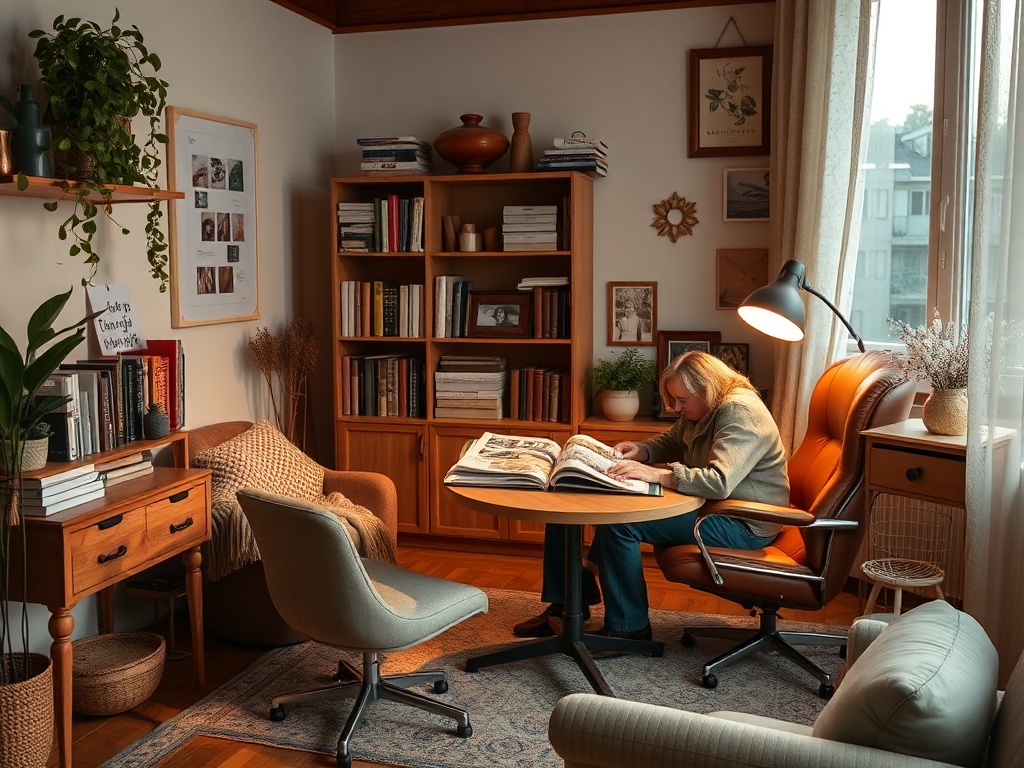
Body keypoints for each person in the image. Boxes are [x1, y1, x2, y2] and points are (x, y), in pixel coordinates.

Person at [512, 350, 789, 640]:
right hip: (714, 507)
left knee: (620, 522)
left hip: (743, 522)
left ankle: (630, 628)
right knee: (566, 498)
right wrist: (642, 450)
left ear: (707, 388)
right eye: (674, 400)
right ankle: (568, 605)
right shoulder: (707, 405)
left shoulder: (739, 411)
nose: (677, 408)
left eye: (682, 400)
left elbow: (719, 481)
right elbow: (673, 439)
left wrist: (656, 474)